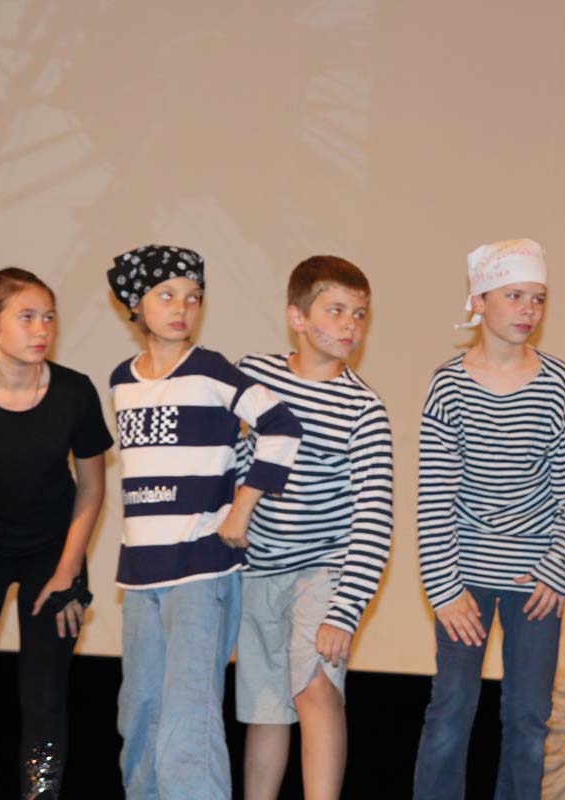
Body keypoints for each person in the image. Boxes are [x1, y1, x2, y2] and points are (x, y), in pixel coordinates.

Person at [106, 245, 301, 800]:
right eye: (166, 296)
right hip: (140, 574)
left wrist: (242, 507)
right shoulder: (121, 380)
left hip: (199, 570)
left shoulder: (211, 369)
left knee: (187, 719)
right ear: (135, 305)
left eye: (193, 298)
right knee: (139, 712)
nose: (181, 308)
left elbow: (281, 425)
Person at [413, 239, 565, 800]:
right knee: (451, 709)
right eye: (514, 296)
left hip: (535, 581)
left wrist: (555, 571)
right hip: (463, 578)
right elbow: (434, 500)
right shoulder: (448, 385)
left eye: (537, 298)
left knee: (528, 717)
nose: (528, 310)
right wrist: (445, 590)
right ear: (479, 301)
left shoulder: (557, 382)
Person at [0, 268, 113, 799]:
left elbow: (91, 488)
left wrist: (67, 572)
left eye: (49, 317)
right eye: (27, 317)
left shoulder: (74, 392)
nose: (42, 329)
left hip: (52, 555)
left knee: (44, 697)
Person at [236, 255, 393, 800]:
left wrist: (344, 611)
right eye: (336, 311)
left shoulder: (364, 410)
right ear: (297, 318)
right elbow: (226, 458)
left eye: (360, 314)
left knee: (315, 689)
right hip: (256, 571)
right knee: (265, 706)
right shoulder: (254, 376)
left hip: (322, 571)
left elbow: (373, 518)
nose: (351, 325)